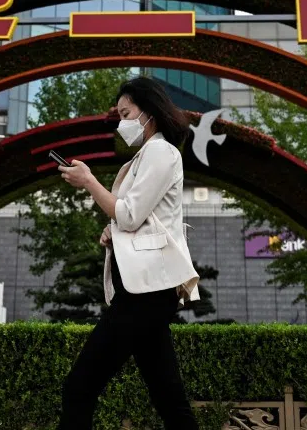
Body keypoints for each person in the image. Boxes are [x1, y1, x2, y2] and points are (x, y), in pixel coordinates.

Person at [56, 76, 201, 430]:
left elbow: (129, 214)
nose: (122, 121)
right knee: (169, 399)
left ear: (149, 111)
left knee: (80, 386)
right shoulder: (146, 155)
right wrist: (114, 231)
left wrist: (90, 181)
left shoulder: (160, 151)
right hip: (145, 290)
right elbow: (136, 217)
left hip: (145, 294)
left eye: (127, 112)